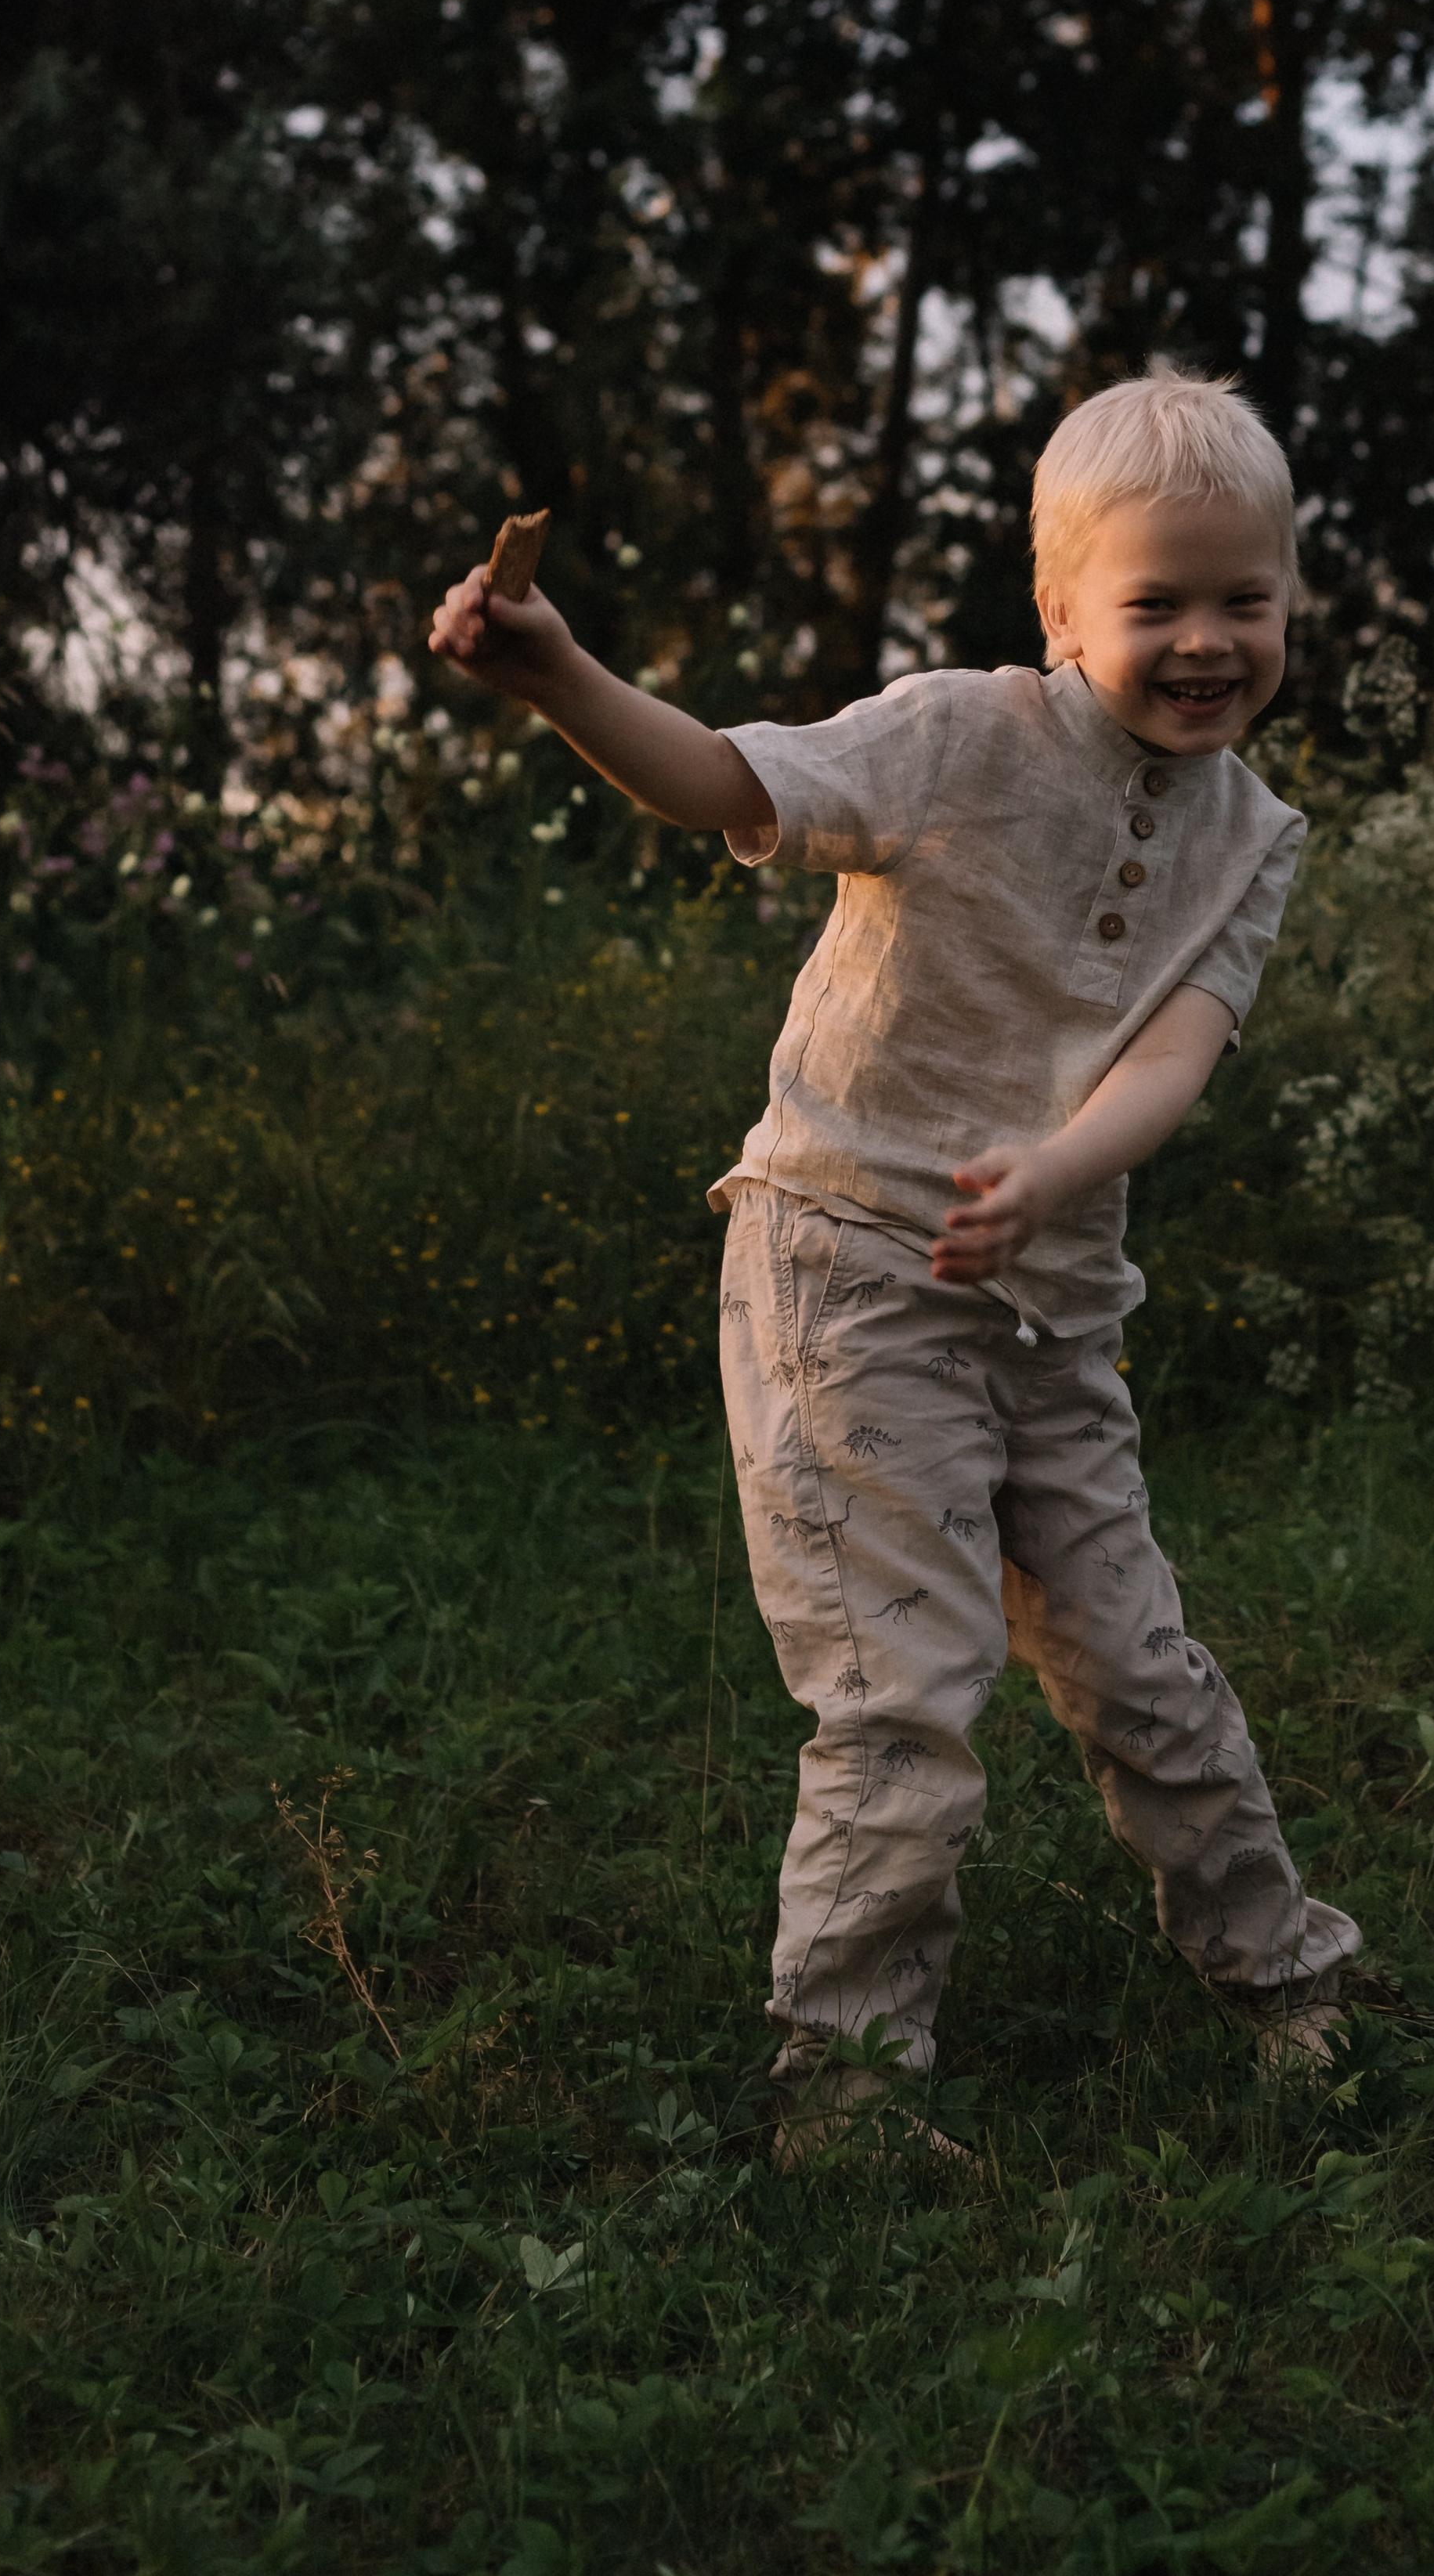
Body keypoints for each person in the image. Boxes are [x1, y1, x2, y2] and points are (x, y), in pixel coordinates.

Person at [430, 365, 1362, 2145]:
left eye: (1241, 600)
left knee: (1138, 1664)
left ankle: (1283, 1980)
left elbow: (1173, 1050)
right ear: (1060, 611)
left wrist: (1058, 1167)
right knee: (901, 1694)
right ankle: (845, 2082)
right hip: (844, 1269)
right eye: (1152, 602)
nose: (1201, 641)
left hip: (1054, 1309)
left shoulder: (1253, 838)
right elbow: (719, 780)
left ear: (1286, 602)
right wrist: (556, 678)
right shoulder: (954, 737)